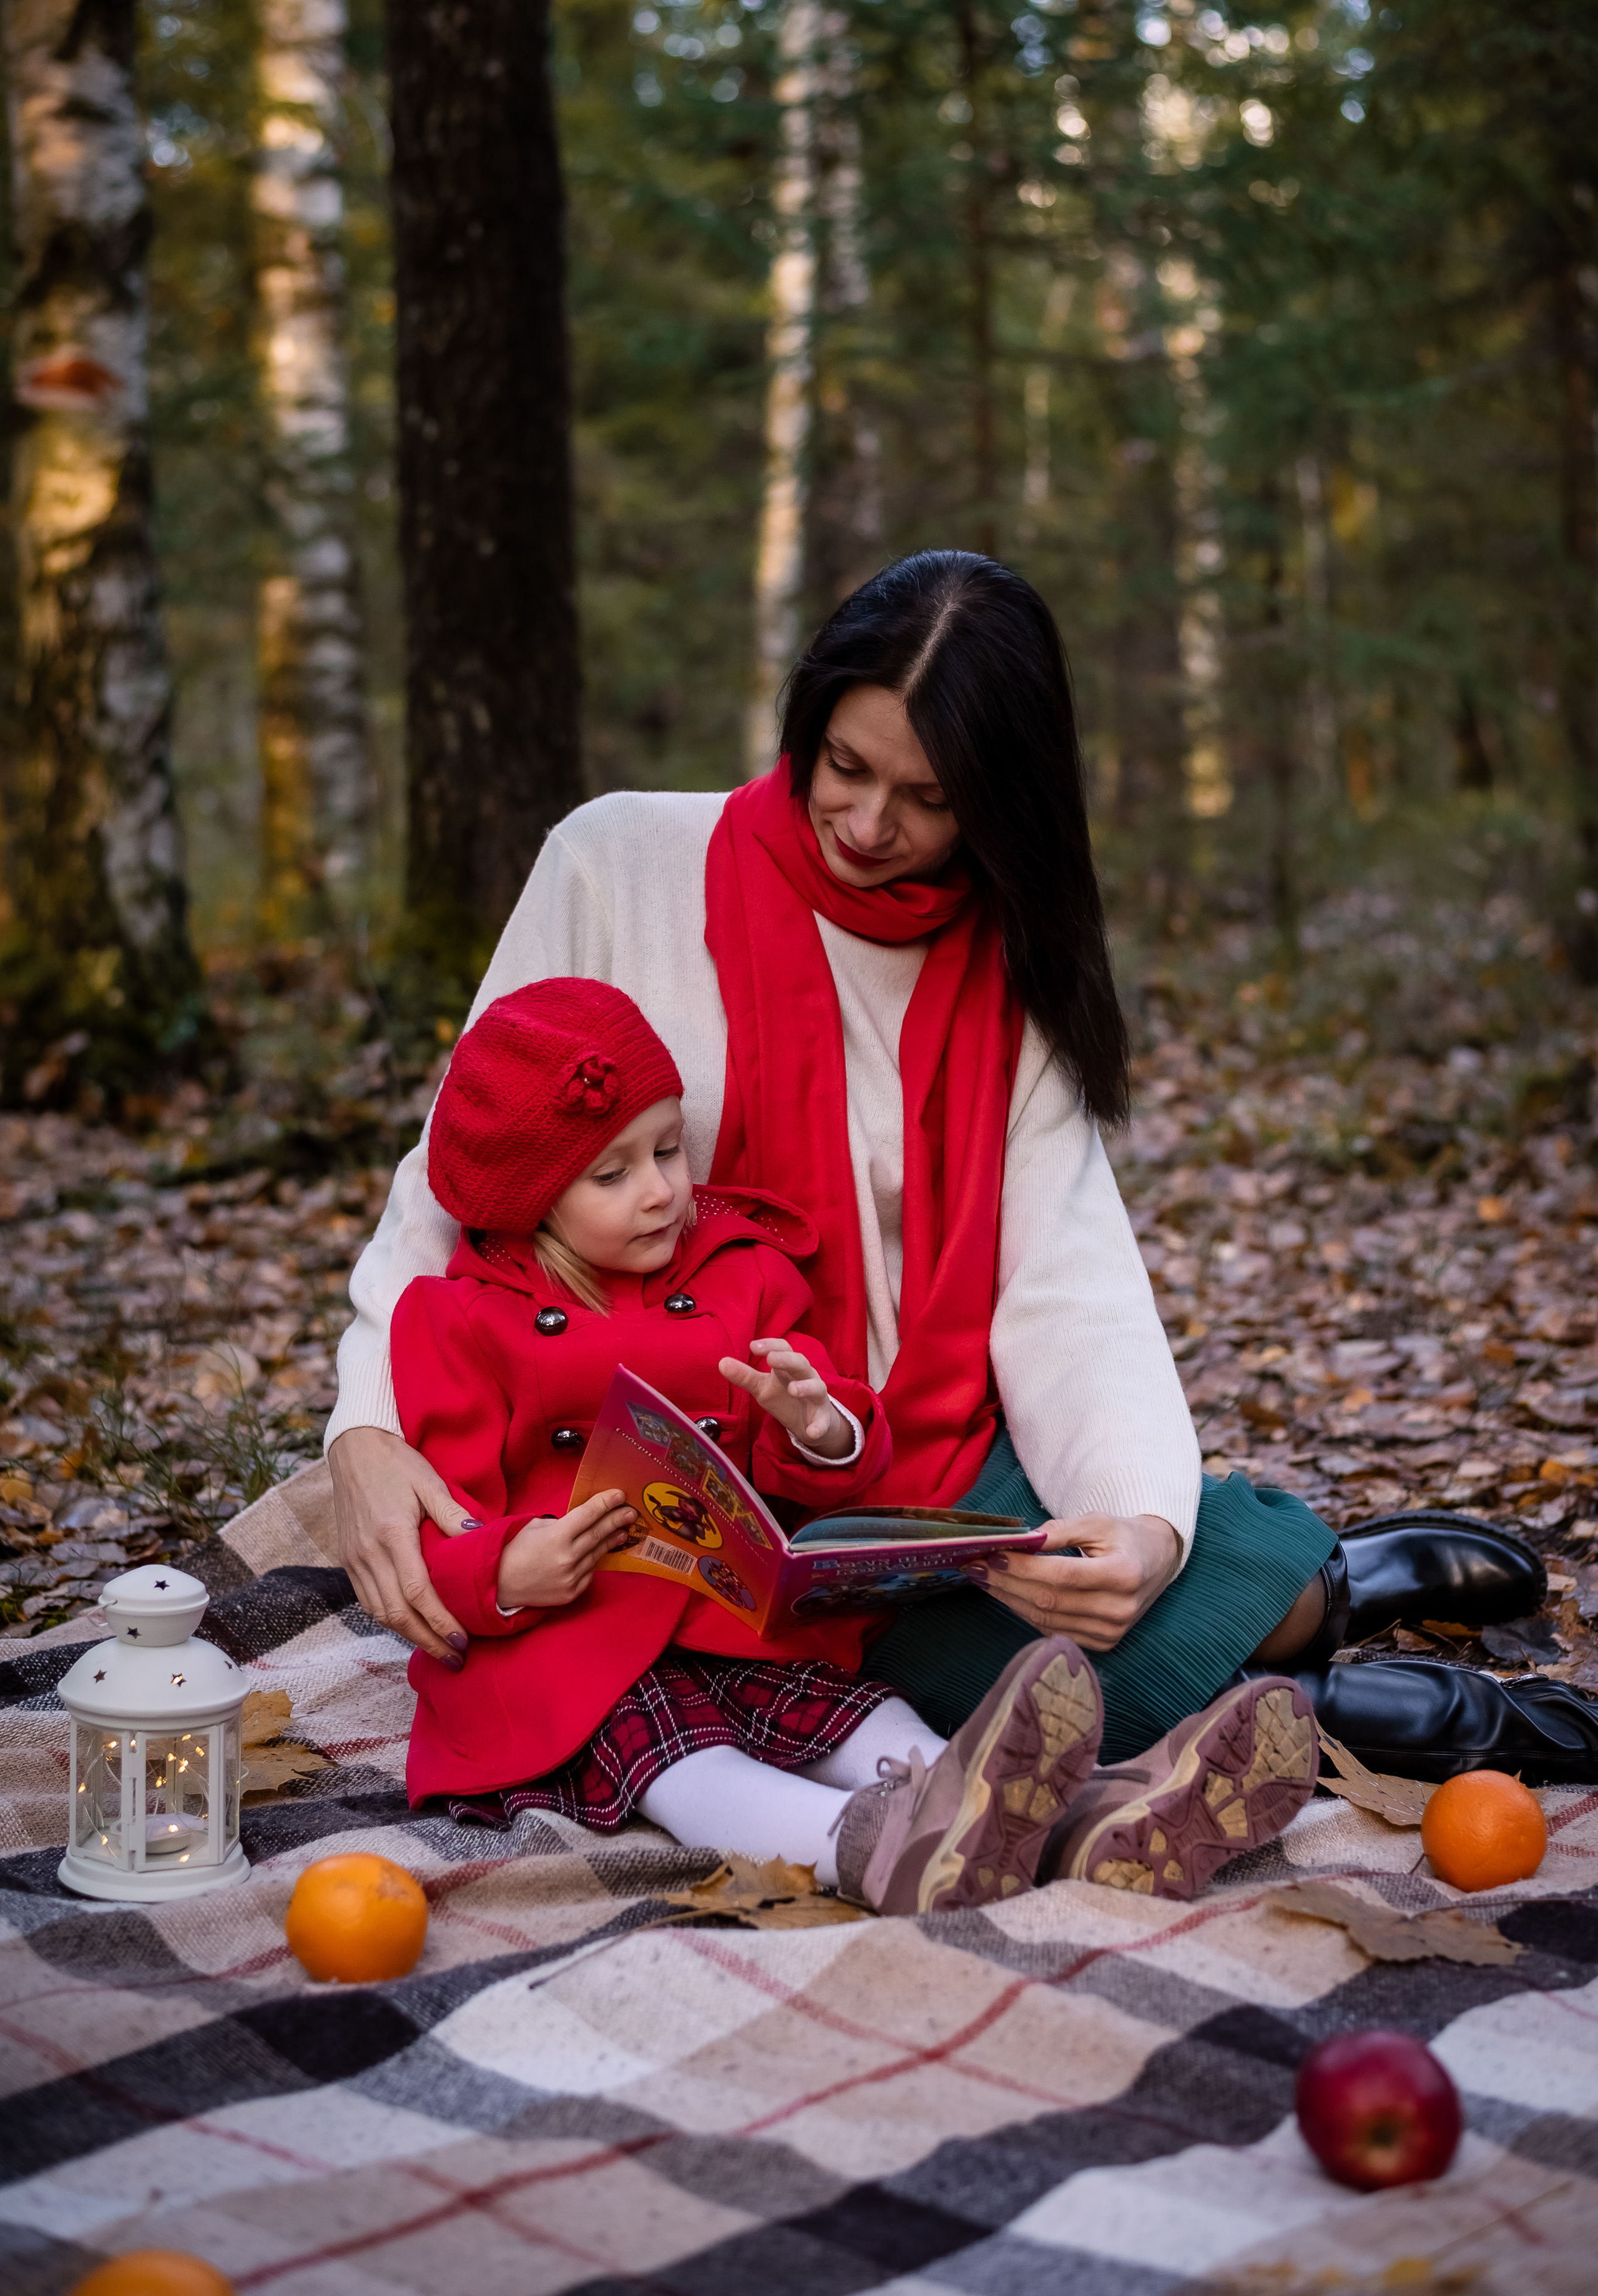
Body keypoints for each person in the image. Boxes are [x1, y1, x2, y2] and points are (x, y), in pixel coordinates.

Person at [330, 550, 1594, 1789]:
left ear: (1000, 803)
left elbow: (1065, 1283)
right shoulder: (615, 865)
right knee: (1070, 1691)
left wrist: (1140, 1530)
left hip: (905, 1450)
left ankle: (1314, 1591)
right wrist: (366, 1429)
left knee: (1104, 1587)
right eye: (844, 766)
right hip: (654, 1478)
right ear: (806, 722)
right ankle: (1310, 1632)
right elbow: (456, 1162)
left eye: (928, 800)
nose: (869, 826)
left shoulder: (1008, 969)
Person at [390, 972, 1321, 1908]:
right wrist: (510, 1573)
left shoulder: (738, 1269)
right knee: (690, 1766)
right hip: (570, 1642)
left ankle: (1094, 1816)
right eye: (612, 1174)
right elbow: (443, 1516)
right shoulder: (461, 1321)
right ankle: (873, 1852)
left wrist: (818, 1423)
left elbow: (835, 1461)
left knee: (866, 1722)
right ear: (532, 1199)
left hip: (729, 1614)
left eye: (670, 1149)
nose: (662, 1192)